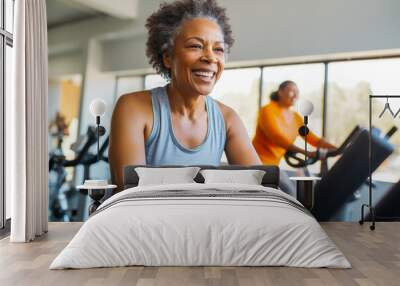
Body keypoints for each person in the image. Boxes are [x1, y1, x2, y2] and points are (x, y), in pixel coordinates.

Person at [109, 0, 261, 189]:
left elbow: (260, 185)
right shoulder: (133, 108)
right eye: (195, 46)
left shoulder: (228, 119)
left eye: (218, 49)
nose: (210, 57)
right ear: (167, 58)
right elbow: (130, 191)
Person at [252, 80, 337, 195]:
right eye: (292, 91)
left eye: (297, 92)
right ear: (280, 92)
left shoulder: (296, 117)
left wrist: (339, 149)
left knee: (294, 191)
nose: (296, 95)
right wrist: (306, 153)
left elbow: (313, 139)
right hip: (256, 163)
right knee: (290, 192)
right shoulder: (268, 110)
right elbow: (277, 138)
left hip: (273, 166)